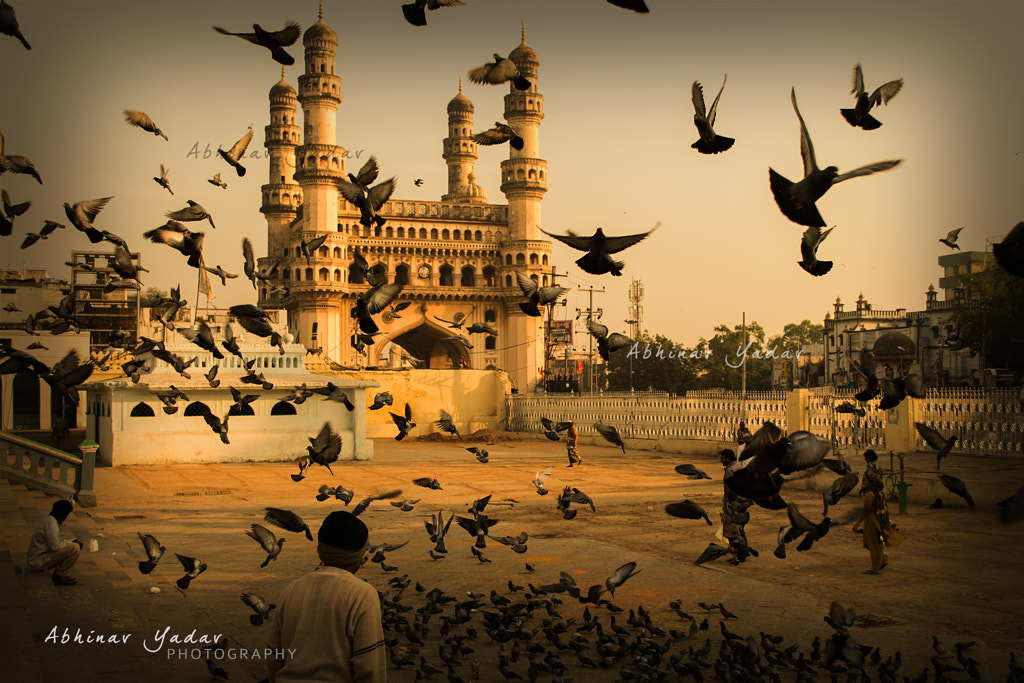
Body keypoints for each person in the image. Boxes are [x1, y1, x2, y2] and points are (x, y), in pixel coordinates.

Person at [268, 511, 387, 683]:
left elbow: (274, 659)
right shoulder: (362, 595)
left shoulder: (290, 591)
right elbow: (370, 670)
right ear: (358, 555)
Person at [852, 449, 896, 575]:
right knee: (876, 543)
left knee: (873, 544)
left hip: (872, 521)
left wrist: (857, 524)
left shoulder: (870, 494)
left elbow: (866, 510)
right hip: (878, 519)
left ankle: (875, 566)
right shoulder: (878, 493)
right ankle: (882, 559)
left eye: (865, 481)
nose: (864, 482)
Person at [26, 499, 82, 585]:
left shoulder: (48, 520)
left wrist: (70, 542)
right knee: (75, 549)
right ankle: (59, 575)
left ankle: (60, 574)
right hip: (38, 562)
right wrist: (72, 544)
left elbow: (54, 542)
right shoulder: (51, 524)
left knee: (73, 545)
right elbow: (54, 546)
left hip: (37, 558)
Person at [719, 449, 756, 564]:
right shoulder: (739, 466)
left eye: (722, 458)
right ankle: (744, 550)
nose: (721, 461)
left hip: (736, 501)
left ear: (728, 458)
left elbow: (731, 488)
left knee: (734, 530)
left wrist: (728, 501)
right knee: (740, 527)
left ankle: (739, 554)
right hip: (744, 500)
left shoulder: (730, 470)